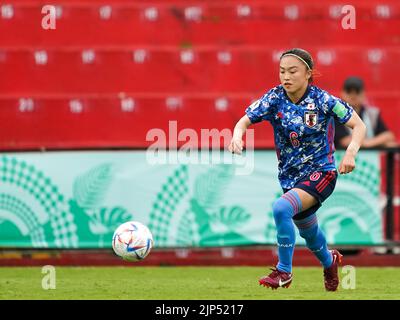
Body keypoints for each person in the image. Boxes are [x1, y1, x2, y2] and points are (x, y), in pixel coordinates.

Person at [228, 48, 366, 291]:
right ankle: (329, 260)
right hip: (290, 178)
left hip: (322, 173)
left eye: (293, 71)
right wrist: (237, 136)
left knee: (281, 207)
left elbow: (358, 125)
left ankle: (284, 271)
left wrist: (350, 154)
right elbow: (244, 120)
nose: (286, 77)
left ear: (308, 74)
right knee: (310, 234)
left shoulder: (323, 100)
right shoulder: (274, 98)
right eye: (282, 71)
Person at [335, 76, 397, 148]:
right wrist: (374, 143)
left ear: (364, 94)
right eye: (349, 91)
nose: (353, 95)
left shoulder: (372, 114)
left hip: (370, 158)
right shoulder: (336, 115)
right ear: (342, 93)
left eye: (357, 92)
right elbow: (344, 141)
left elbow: (388, 136)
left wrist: (368, 143)